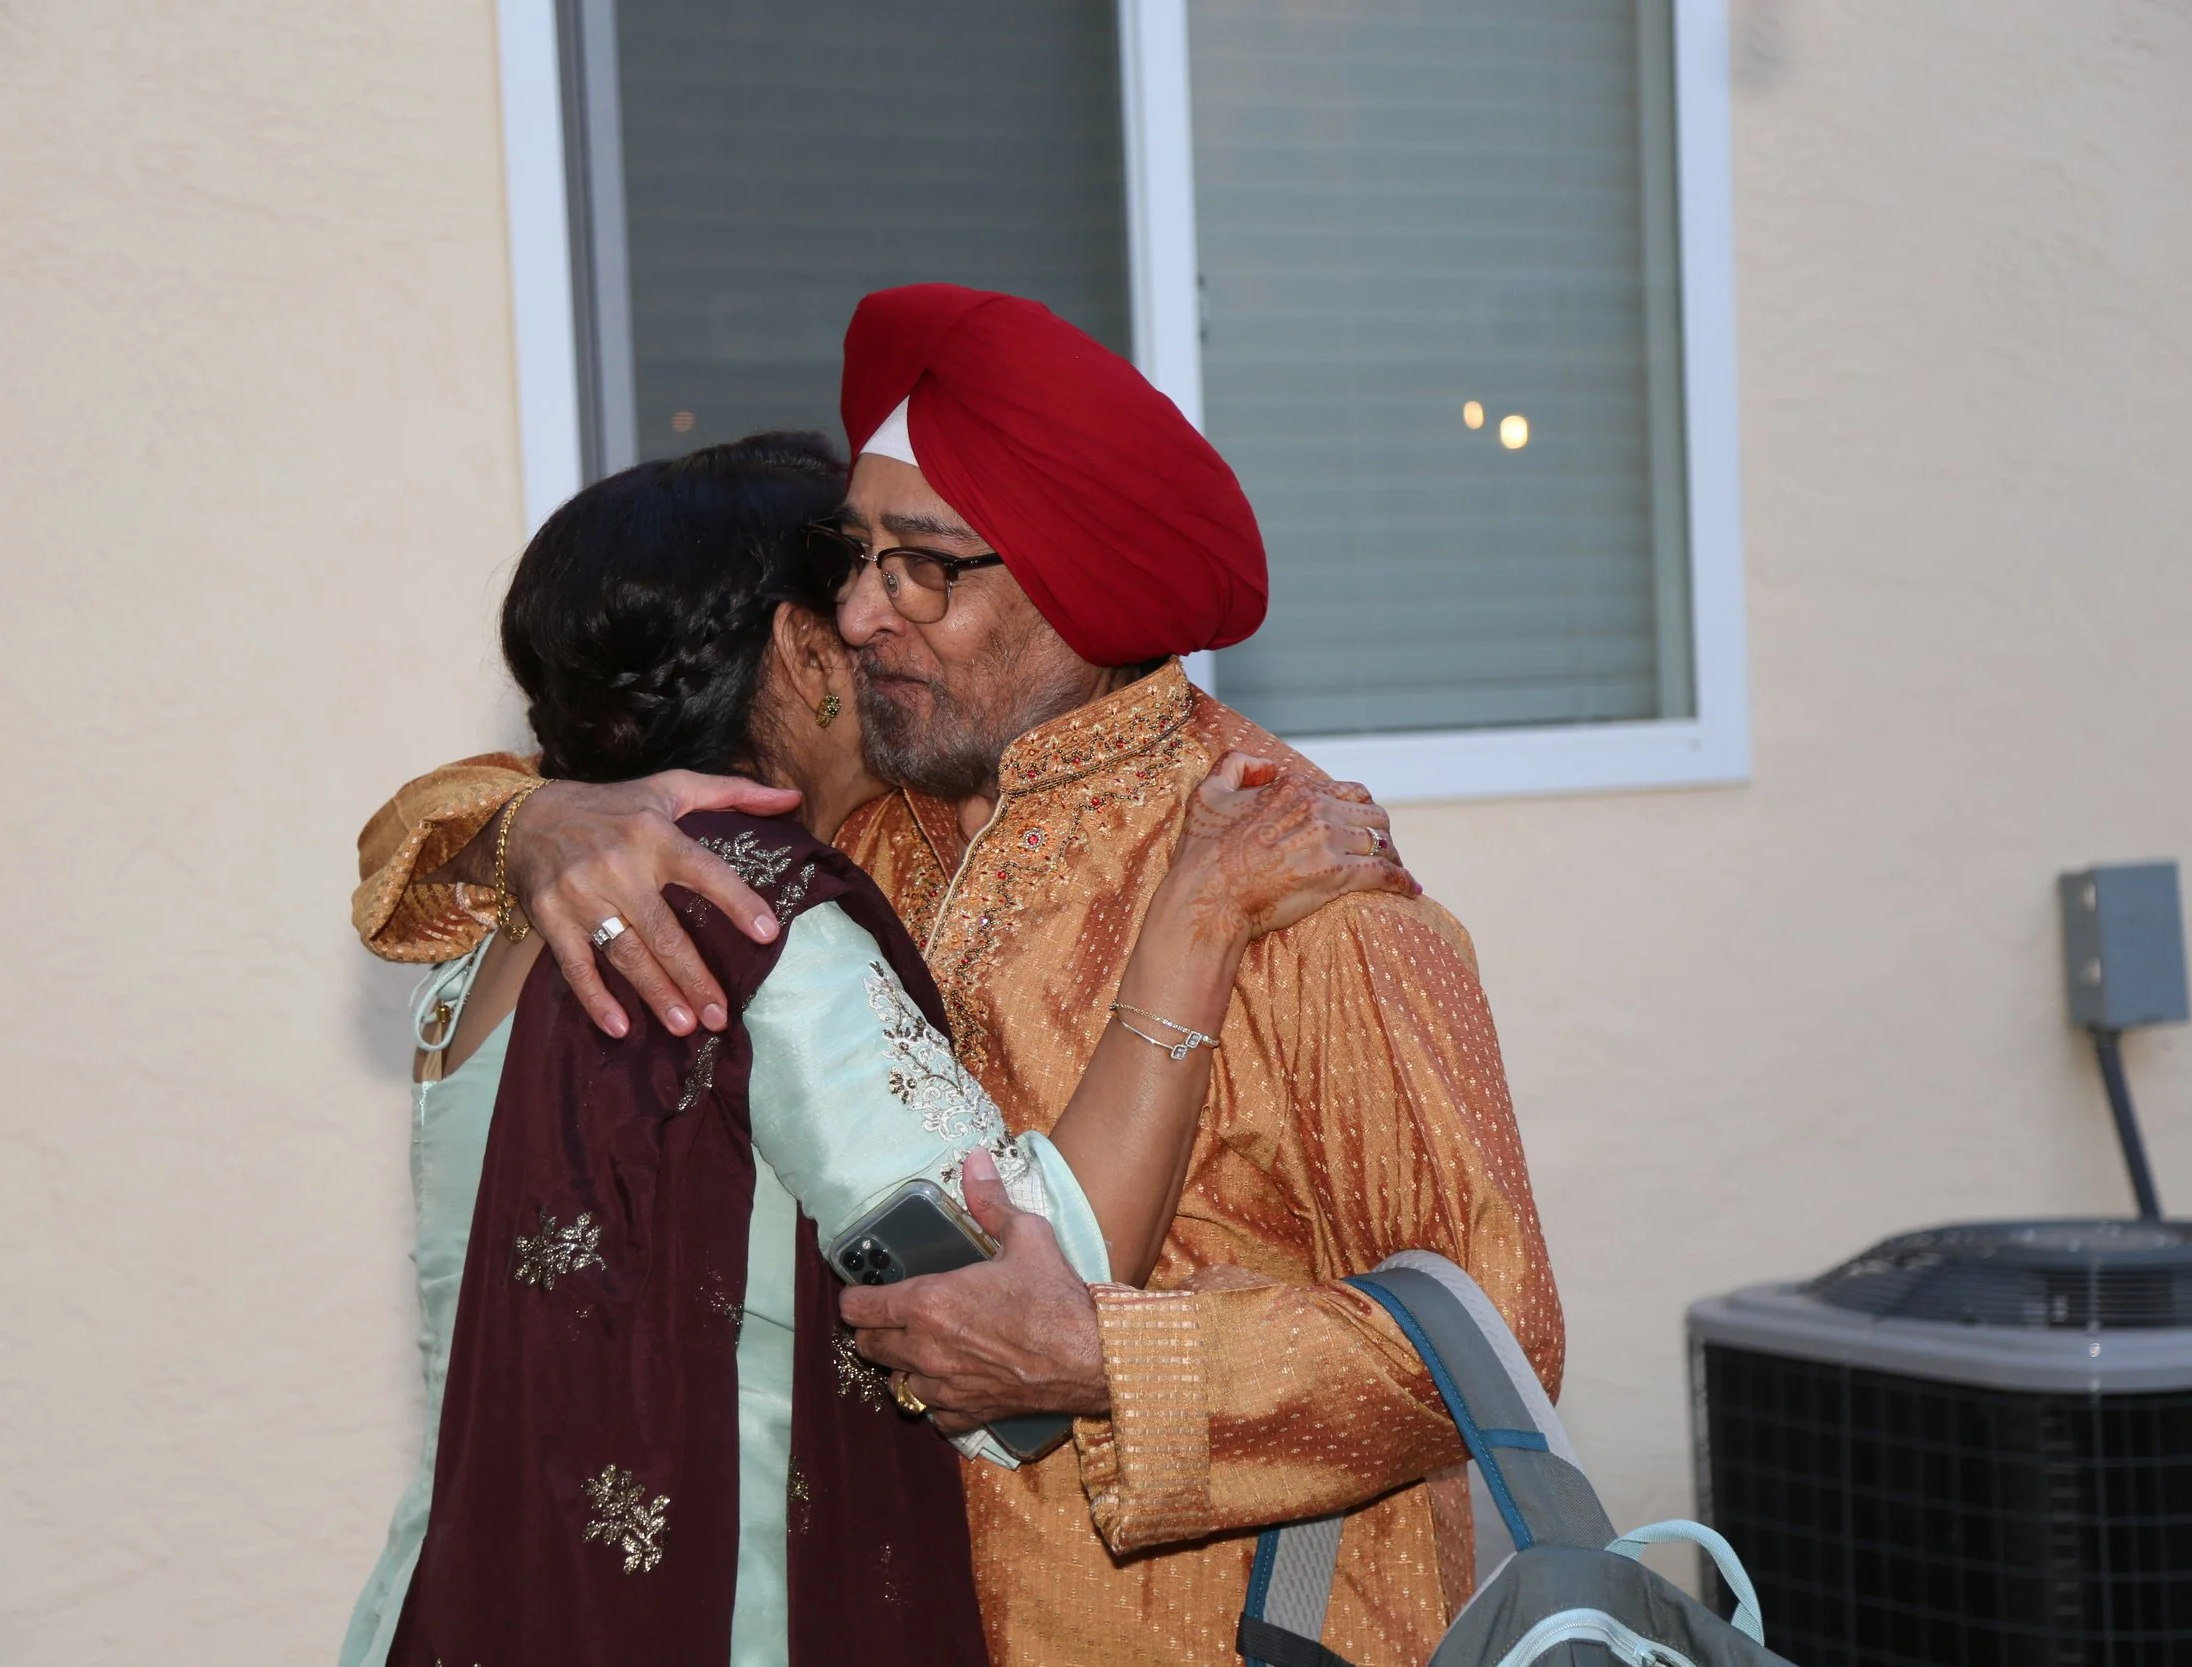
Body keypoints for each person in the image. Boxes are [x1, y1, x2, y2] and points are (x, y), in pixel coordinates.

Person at [353, 286, 1562, 1665]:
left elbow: (1497, 1336)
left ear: (1074, 574)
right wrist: (536, 820)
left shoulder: (1298, 885)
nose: (862, 613)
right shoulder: (865, 816)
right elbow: (476, 818)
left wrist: (1107, 1360)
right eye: (851, 559)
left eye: (922, 567)